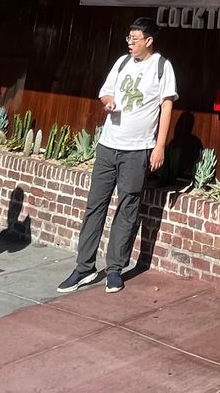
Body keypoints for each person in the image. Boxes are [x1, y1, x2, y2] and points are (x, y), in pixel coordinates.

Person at [58, 16, 177, 294]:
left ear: (149, 41)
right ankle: (84, 267)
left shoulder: (161, 66)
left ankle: (114, 268)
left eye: (135, 40)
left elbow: (167, 106)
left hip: (137, 149)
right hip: (108, 145)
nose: (130, 44)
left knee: (128, 208)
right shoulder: (121, 63)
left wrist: (159, 146)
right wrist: (108, 101)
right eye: (128, 39)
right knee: (95, 206)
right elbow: (106, 92)